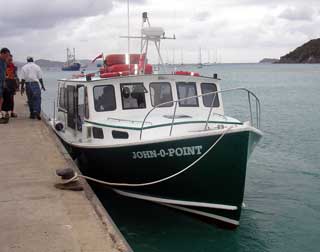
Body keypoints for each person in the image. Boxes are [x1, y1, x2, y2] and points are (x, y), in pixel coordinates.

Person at [2, 54, 19, 118]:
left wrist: (17, 85)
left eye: (11, 59)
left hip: (12, 84)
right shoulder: (3, 66)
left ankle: (12, 112)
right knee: (6, 99)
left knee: (12, 99)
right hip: (5, 84)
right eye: (9, 59)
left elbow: (16, 76)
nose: (10, 61)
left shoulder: (14, 67)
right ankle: (6, 113)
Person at [0, 47, 11, 124]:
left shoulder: (4, 62)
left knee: (2, 99)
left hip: (2, 83)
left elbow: (3, 73)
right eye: (6, 55)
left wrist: (4, 82)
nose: (7, 57)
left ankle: (1, 114)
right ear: (2, 53)